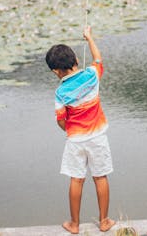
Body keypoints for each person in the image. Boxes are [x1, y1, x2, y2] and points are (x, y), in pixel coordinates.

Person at [46, 26, 116, 234]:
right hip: (98, 137)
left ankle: (74, 224)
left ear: (55, 72)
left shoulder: (60, 93)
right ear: (76, 60)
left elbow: (60, 121)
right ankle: (104, 221)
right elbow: (98, 58)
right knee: (100, 177)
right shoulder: (91, 76)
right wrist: (89, 38)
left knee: (76, 179)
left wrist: (70, 128)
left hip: (75, 140)